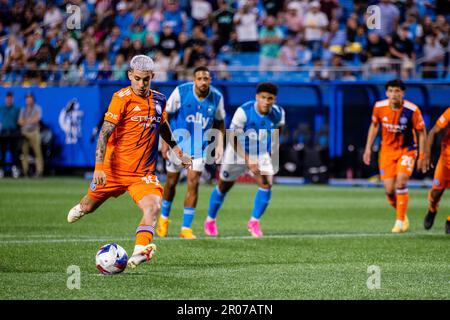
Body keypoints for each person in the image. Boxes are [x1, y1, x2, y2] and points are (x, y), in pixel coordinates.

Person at [66, 55, 192, 269]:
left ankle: (139, 252)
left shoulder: (159, 100)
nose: (142, 84)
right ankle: (82, 207)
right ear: (130, 76)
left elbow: (162, 126)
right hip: (112, 171)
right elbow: (104, 134)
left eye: (146, 80)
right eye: (137, 79)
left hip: (141, 174)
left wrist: (178, 151)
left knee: (152, 208)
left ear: (152, 77)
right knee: (88, 207)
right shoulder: (121, 98)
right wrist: (98, 168)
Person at [204, 82, 285, 238]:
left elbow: (279, 128)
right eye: (263, 98)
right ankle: (210, 220)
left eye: (270, 98)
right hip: (236, 151)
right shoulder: (244, 111)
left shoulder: (278, 113)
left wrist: (271, 149)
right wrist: (248, 159)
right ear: (257, 97)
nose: (266, 102)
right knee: (223, 186)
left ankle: (254, 222)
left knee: (266, 184)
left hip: (260, 152)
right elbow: (233, 137)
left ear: (274, 99)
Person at [157, 66, 226, 240]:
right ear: (194, 80)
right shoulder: (181, 92)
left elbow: (220, 122)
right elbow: (164, 116)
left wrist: (219, 145)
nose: (203, 81)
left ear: (210, 80)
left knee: (193, 183)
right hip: (177, 146)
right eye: (199, 78)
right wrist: (165, 143)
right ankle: (163, 220)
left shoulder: (216, 98)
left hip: (200, 149)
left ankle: (185, 228)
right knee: (171, 183)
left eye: (206, 78)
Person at [363, 79, 427, 233]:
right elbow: (374, 125)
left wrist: (422, 155)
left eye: (397, 91)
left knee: (401, 182)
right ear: (386, 93)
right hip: (387, 151)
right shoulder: (379, 107)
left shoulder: (412, 110)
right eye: (391, 91)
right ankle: (402, 215)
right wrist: (368, 148)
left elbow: (421, 132)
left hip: (407, 150)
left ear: (402, 93)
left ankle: (399, 222)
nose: (394, 94)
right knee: (390, 190)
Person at [423, 107, 450, 234]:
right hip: (446, 159)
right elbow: (433, 131)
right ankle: (432, 208)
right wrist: (427, 155)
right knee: (436, 193)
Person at [18, 92, 44, 177]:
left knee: (37, 152)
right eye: (27, 99)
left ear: (33, 100)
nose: (29, 101)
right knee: (24, 152)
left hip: (34, 131)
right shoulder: (23, 109)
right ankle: (25, 171)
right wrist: (29, 121)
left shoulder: (37, 108)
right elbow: (19, 121)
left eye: (30, 99)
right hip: (24, 132)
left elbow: (36, 119)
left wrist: (26, 121)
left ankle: (39, 171)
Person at [0, 91, 21, 178]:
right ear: (5, 99)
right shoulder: (1, 108)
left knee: (14, 151)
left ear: (12, 99)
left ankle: (15, 169)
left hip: (13, 132)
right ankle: (1, 169)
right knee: (3, 151)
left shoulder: (16, 109)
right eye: (7, 98)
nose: (9, 100)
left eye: (10, 98)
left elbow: (20, 121)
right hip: (3, 132)